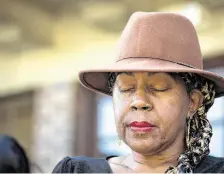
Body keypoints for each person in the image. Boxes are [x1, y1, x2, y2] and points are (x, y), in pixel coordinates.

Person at [52, 12, 224, 173]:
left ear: (193, 102)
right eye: (126, 88)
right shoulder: (75, 170)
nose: (139, 101)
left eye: (158, 87)